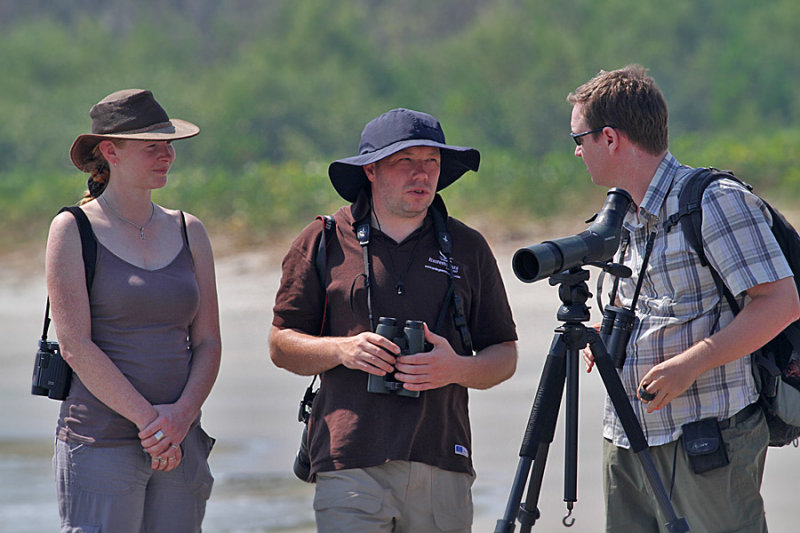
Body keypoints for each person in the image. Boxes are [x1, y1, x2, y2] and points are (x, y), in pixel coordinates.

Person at [569, 65, 800, 532]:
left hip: (707, 438)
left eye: (579, 138)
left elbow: (780, 303)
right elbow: (663, 307)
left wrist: (690, 364)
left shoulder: (714, 201)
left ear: (610, 138)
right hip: (628, 438)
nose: (576, 151)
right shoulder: (620, 215)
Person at [269, 107, 518, 532]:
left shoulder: (467, 246)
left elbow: (504, 354)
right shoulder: (324, 239)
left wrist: (455, 368)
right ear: (371, 169)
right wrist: (343, 350)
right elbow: (280, 345)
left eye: (432, 163)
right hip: (348, 459)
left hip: (442, 459)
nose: (421, 175)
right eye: (405, 162)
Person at [46, 88, 221, 532]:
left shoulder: (189, 229)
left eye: (169, 145)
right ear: (110, 151)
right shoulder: (72, 229)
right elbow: (75, 346)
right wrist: (153, 424)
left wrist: (180, 419)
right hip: (100, 441)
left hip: (182, 440)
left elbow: (208, 341)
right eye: (152, 147)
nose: (167, 156)